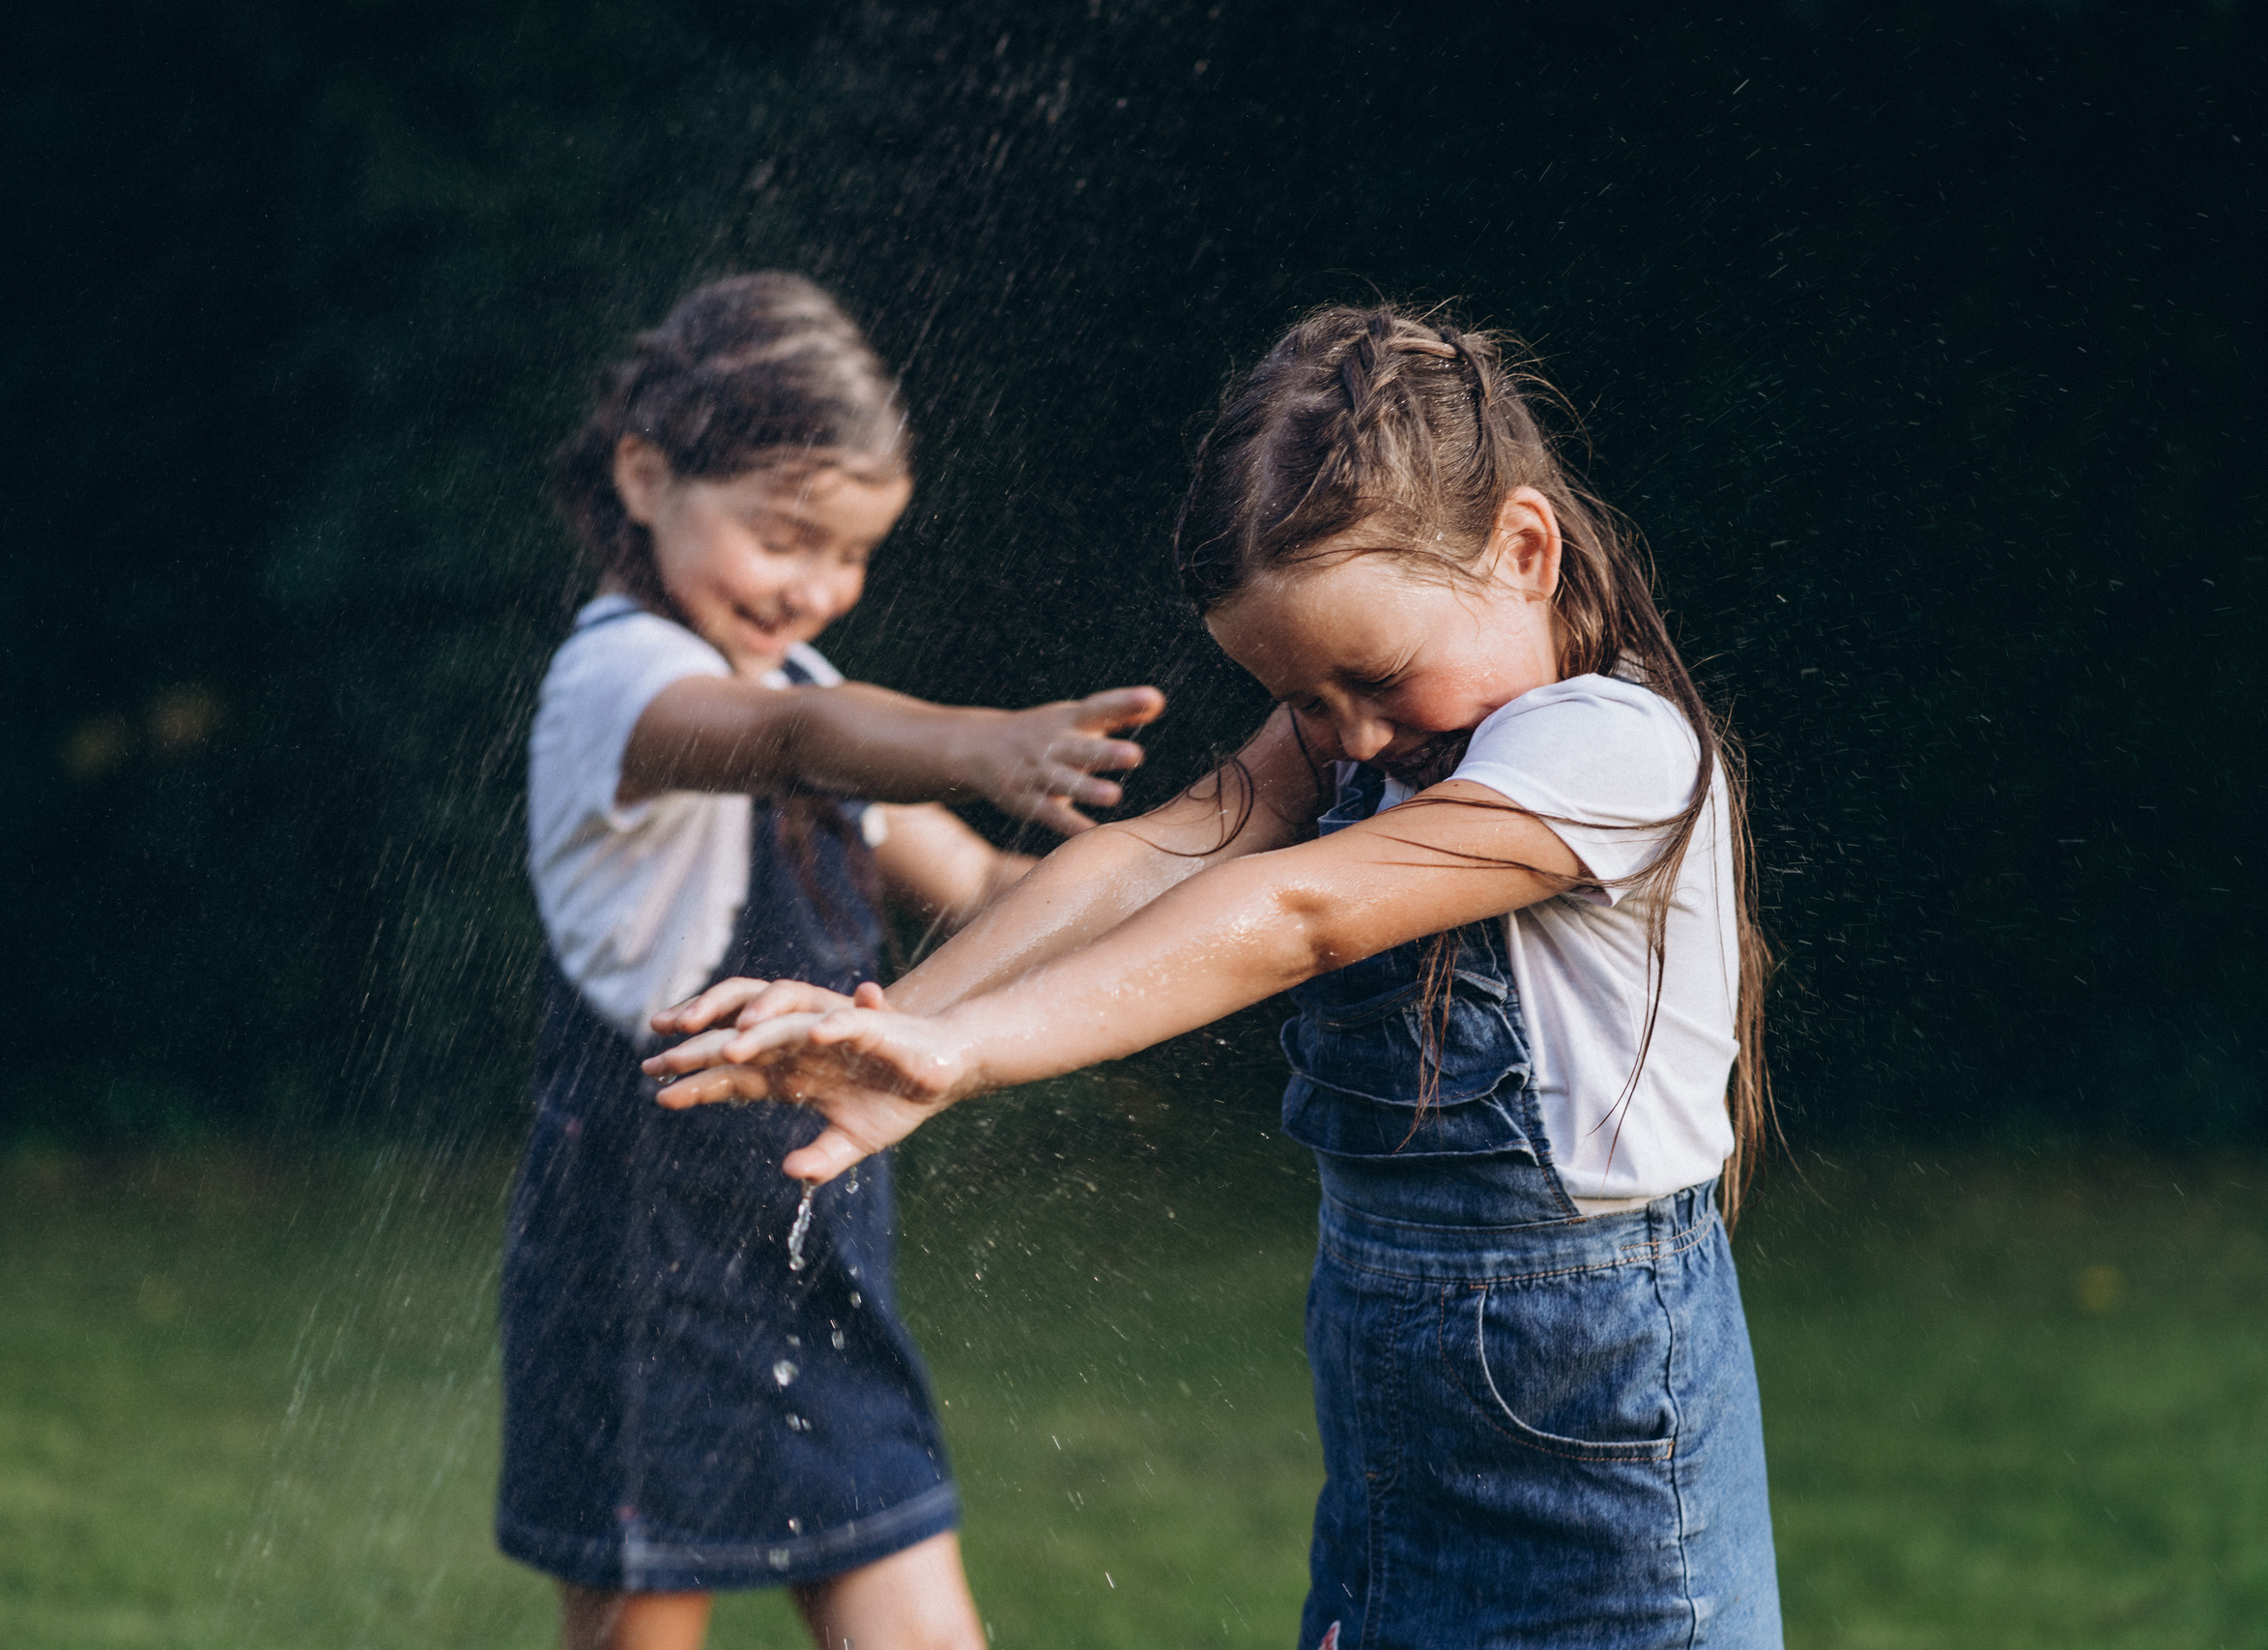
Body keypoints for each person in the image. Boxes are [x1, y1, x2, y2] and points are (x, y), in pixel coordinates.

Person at [645, 304, 1784, 1648]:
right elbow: (1169, 849)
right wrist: (903, 1034)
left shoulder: (1612, 747)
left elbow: (1293, 910)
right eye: (1302, 701)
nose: (1348, 734)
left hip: (1595, 1428)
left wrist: (972, 1052)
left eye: (1372, 677)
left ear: (1522, 550)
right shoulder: (1380, 726)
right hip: (1399, 1412)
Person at [503, 272, 1163, 1650]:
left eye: (852, 552)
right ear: (644, 474)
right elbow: (800, 745)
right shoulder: (618, 681)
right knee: (643, 1619)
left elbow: (983, 883)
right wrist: (982, 740)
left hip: (809, 1221)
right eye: (783, 536)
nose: (815, 587)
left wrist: (1210, 895)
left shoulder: (801, 681)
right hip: (646, 1226)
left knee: (909, 1593)